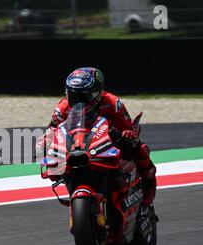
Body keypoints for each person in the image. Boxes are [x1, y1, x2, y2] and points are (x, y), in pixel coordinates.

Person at [43, 67, 157, 209]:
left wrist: (128, 135)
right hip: (78, 146)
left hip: (108, 143)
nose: (79, 100)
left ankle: (148, 187)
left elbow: (127, 127)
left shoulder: (112, 103)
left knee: (139, 148)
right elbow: (52, 130)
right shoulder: (63, 107)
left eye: (84, 96)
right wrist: (46, 140)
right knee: (50, 158)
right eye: (73, 95)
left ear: (97, 92)